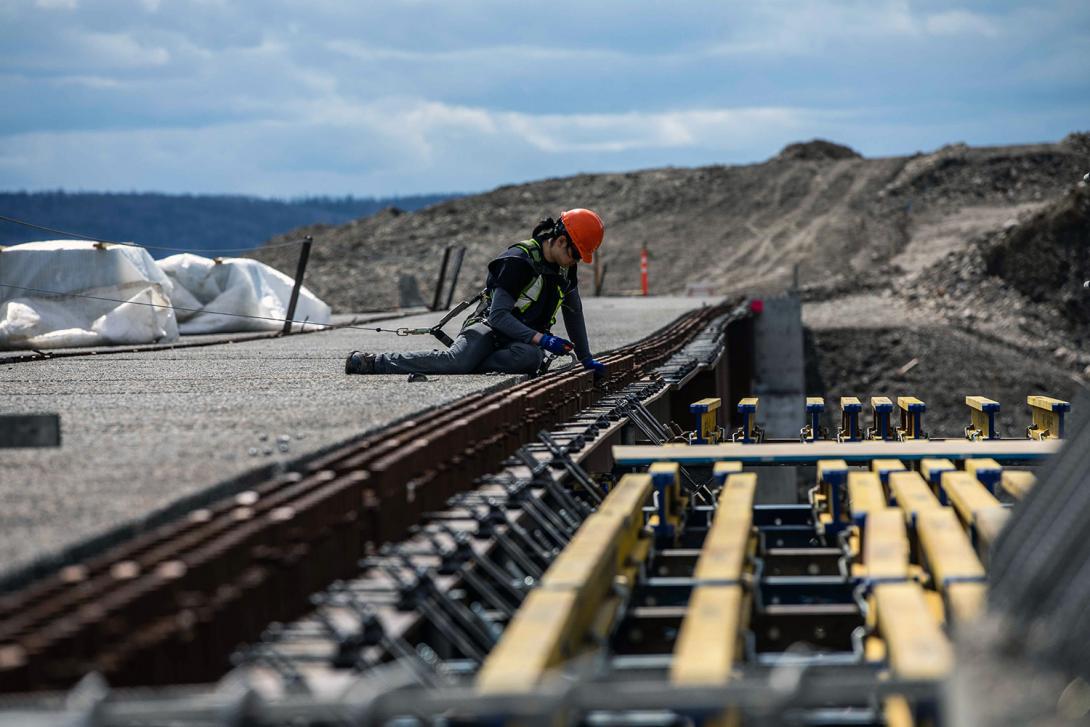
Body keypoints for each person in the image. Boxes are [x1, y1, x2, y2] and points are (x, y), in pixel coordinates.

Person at [345, 208, 607, 378]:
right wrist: (543, 340)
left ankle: (469, 361)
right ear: (561, 241)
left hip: (522, 343)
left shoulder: (565, 270)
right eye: (576, 254)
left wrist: (585, 358)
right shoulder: (519, 261)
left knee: (529, 359)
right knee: (456, 362)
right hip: (488, 328)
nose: (576, 262)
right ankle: (373, 362)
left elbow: (574, 312)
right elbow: (499, 317)